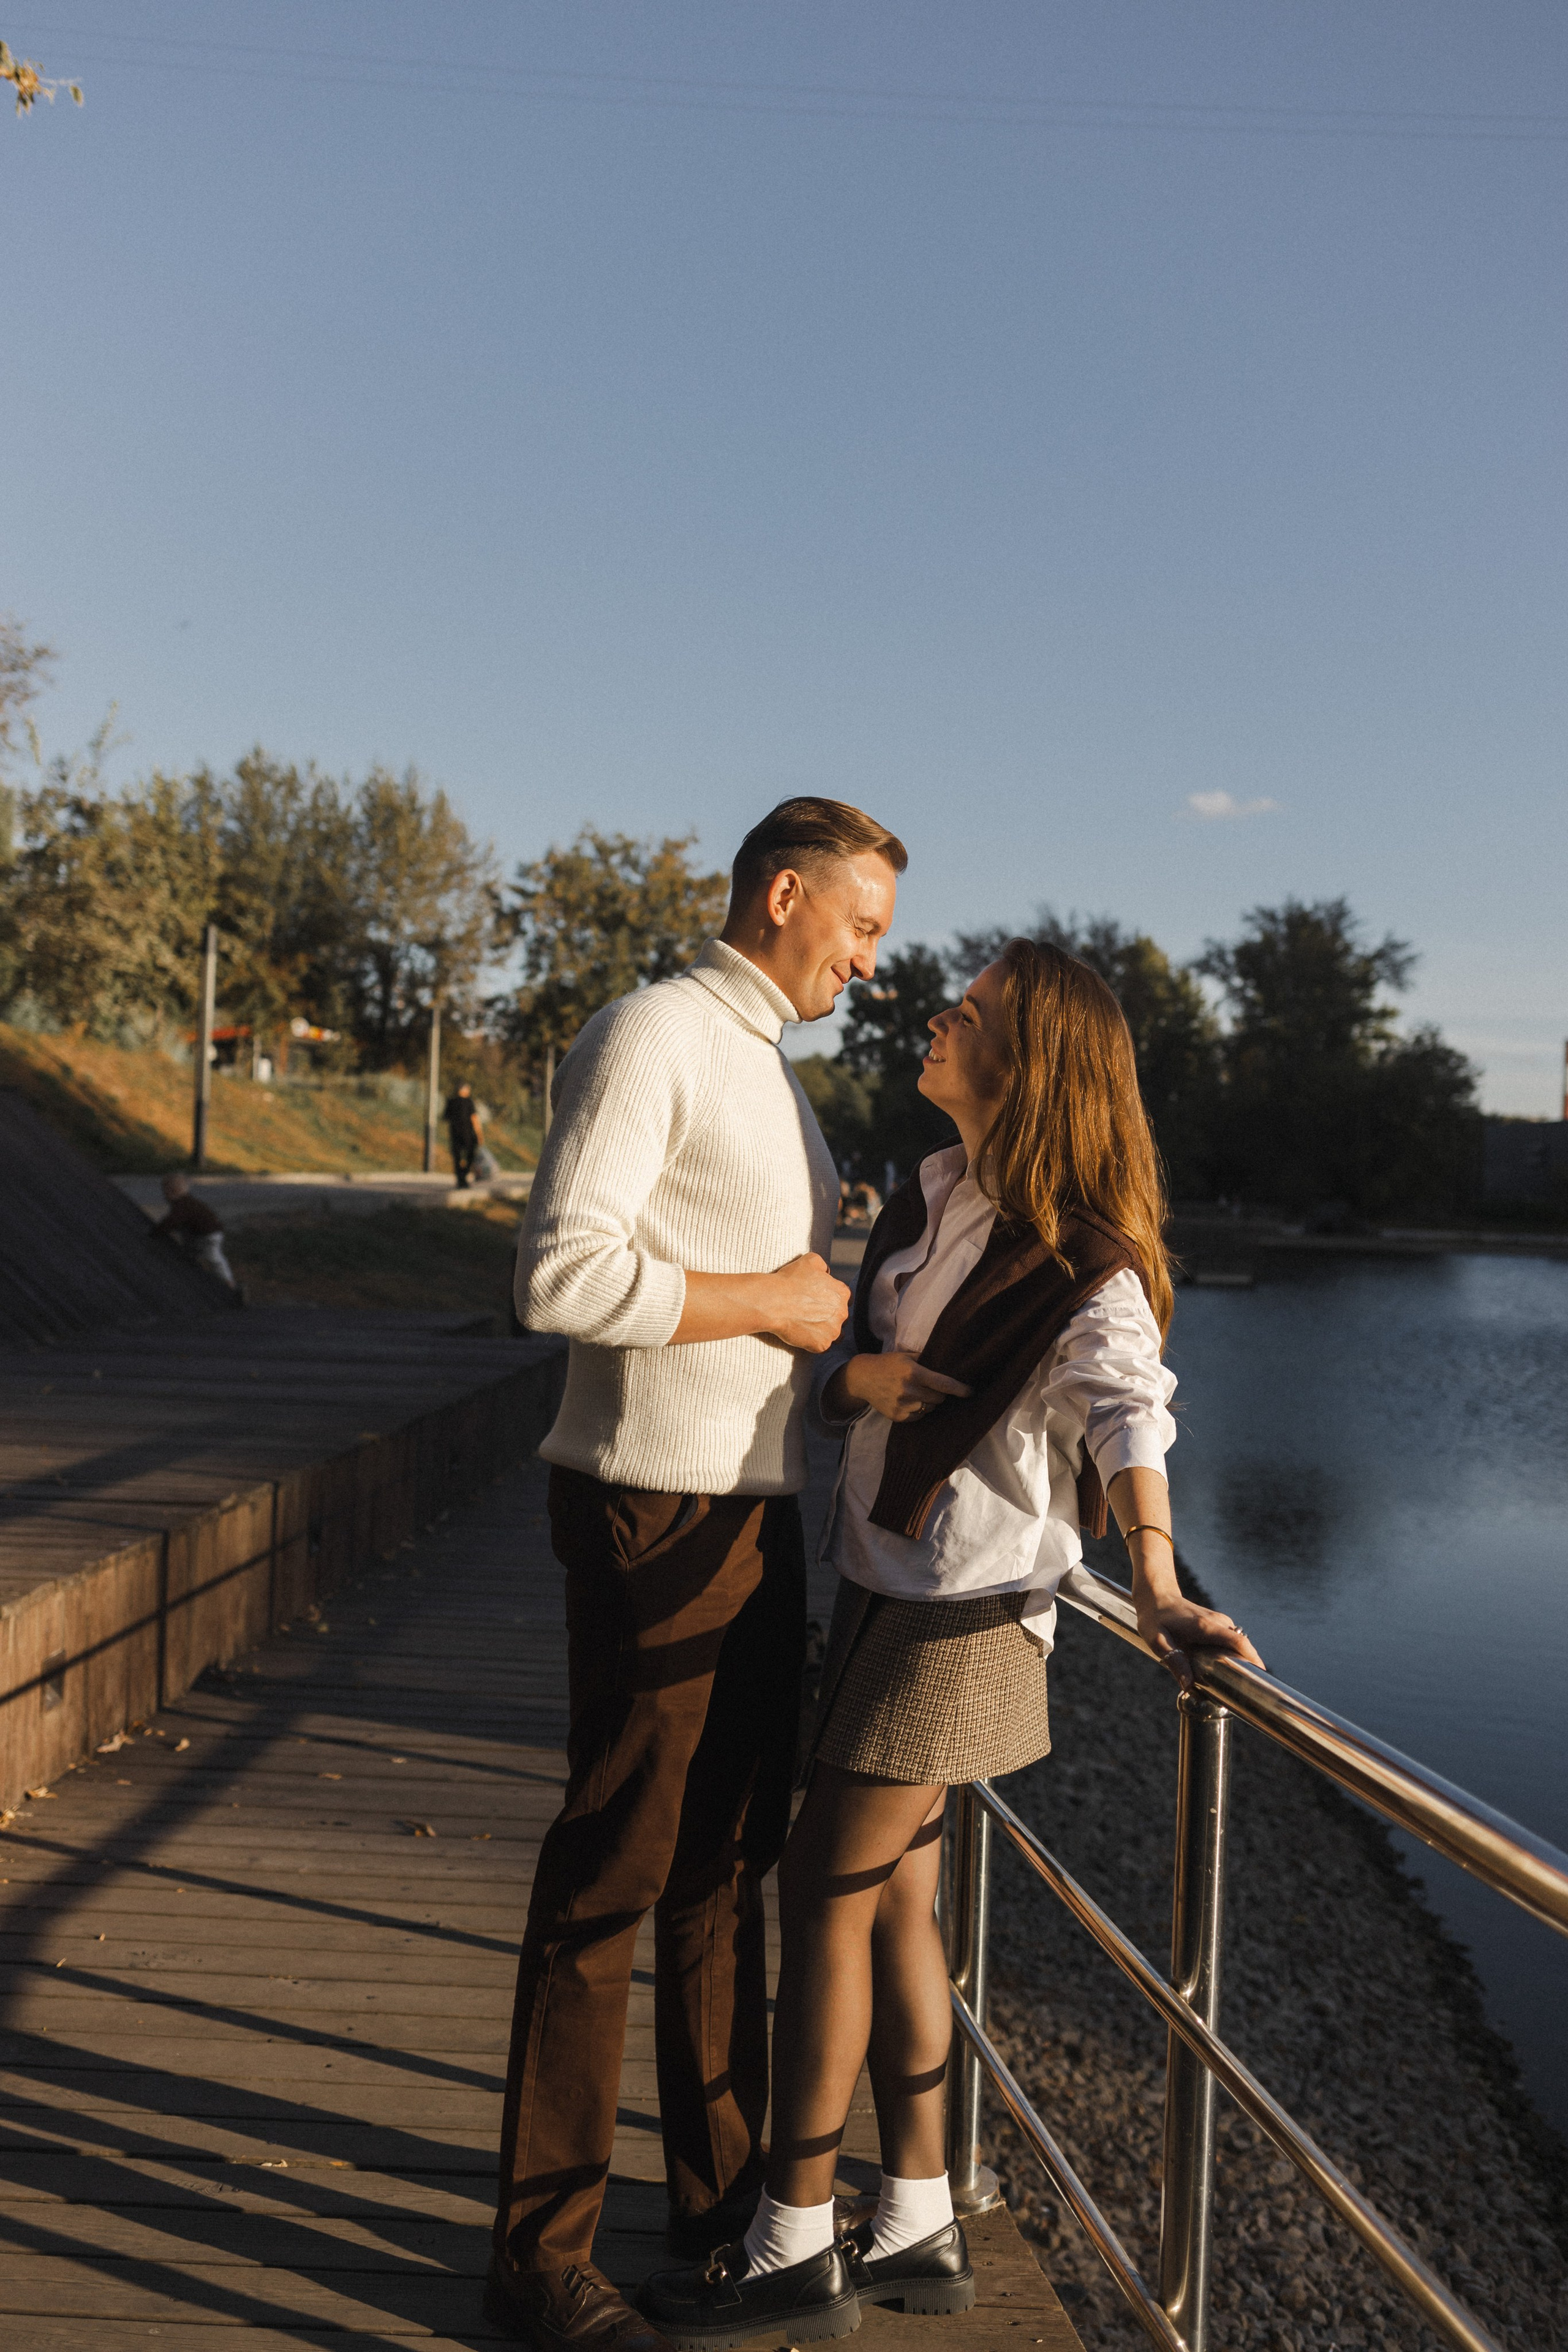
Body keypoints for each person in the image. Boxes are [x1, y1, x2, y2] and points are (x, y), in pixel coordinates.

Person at [641, 939, 1265, 2349]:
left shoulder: (1083, 1261)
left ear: (1027, 1063)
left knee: (822, 1884)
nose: (937, 1016)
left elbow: (1127, 1412)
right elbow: (870, 1373)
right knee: (899, 1901)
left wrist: (1157, 1579)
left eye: (968, 1013)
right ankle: (915, 2208)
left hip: (965, 1619)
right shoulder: (941, 1196)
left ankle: (794, 2231)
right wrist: (849, 1379)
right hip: (879, 1585)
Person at [486, 799, 908, 2352]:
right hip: (646, 1510)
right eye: (858, 925)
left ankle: (724, 2218)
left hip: (751, 1509)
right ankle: (538, 2260)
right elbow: (555, 1272)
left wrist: (874, 1368)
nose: (870, 959)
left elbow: (800, 1320)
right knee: (611, 1874)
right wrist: (776, 1302)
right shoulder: (649, 1031)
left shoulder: (767, 1076)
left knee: (724, 1872)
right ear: (783, 894)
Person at [150, 1172, 236, 1287]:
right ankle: (193, 1268)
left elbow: (171, 1222)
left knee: (213, 1257)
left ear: (173, 1191)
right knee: (191, 1250)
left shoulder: (183, 1206)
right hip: (200, 1233)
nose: (164, 1196)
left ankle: (228, 1282)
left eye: (165, 1192)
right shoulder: (188, 1202)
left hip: (209, 1234)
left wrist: (156, 1232)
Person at [444, 1082, 484, 1186]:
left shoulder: (451, 1102)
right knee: (470, 1155)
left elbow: (446, 1117)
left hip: (455, 1134)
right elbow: (474, 1119)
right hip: (468, 1134)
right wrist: (479, 1134)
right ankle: (464, 1175)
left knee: (457, 1157)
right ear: (465, 1090)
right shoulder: (469, 1102)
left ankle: (460, 1178)